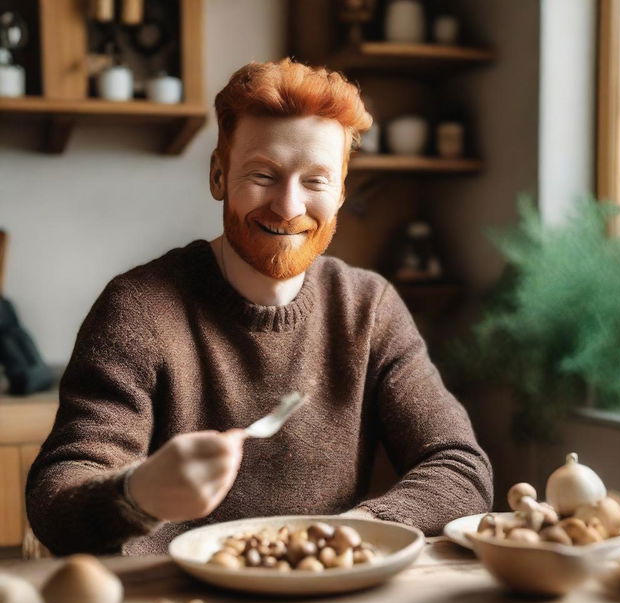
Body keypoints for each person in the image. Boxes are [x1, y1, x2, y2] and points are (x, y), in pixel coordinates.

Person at [26, 59, 493, 555]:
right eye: (264, 174)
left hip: (322, 597)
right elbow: (56, 498)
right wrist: (137, 495)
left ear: (339, 194)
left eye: (316, 181)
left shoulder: (368, 308)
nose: (289, 207)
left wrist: (352, 532)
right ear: (219, 175)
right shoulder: (139, 308)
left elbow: (459, 466)